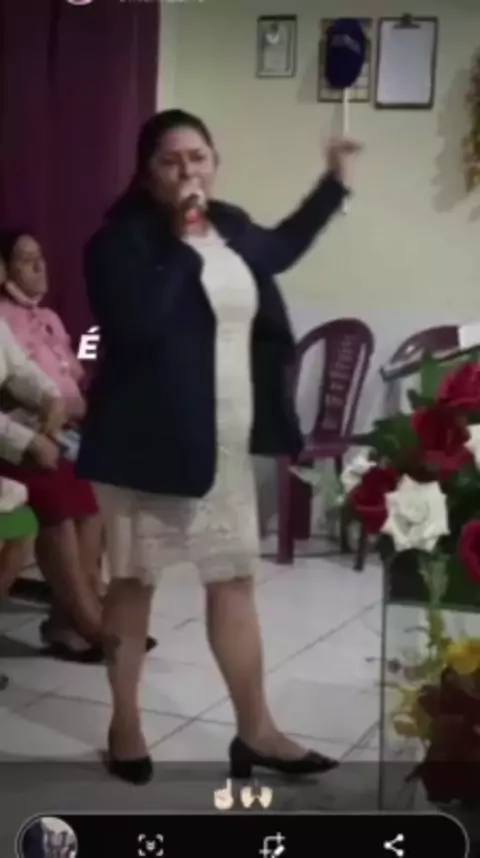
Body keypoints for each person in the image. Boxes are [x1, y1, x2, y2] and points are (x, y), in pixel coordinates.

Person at [77, 108, 361, 784]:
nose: (188, 170)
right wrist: (183, 238)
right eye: (171, 160)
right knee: (134, 582)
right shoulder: (117, 242)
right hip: (149, 445)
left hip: (225, 443)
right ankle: (125, 724)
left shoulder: (229, 224)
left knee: (232, 579)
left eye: (198, 157)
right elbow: (138, 326)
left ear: (214, 162)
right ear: (148, 175)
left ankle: (256, 730)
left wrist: (333, 184)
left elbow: (281, 249)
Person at [0, 241, 103, 661]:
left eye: (41, 258)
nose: (40, 266)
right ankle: (88, 621)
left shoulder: (49, 319)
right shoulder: (7, 316)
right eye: (26, 260)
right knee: (56, 496)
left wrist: (56, 400)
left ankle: (74, 614)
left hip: (52, 429)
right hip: (18, 438)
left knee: (92, 493)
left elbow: (35, 374)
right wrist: (31, 437)